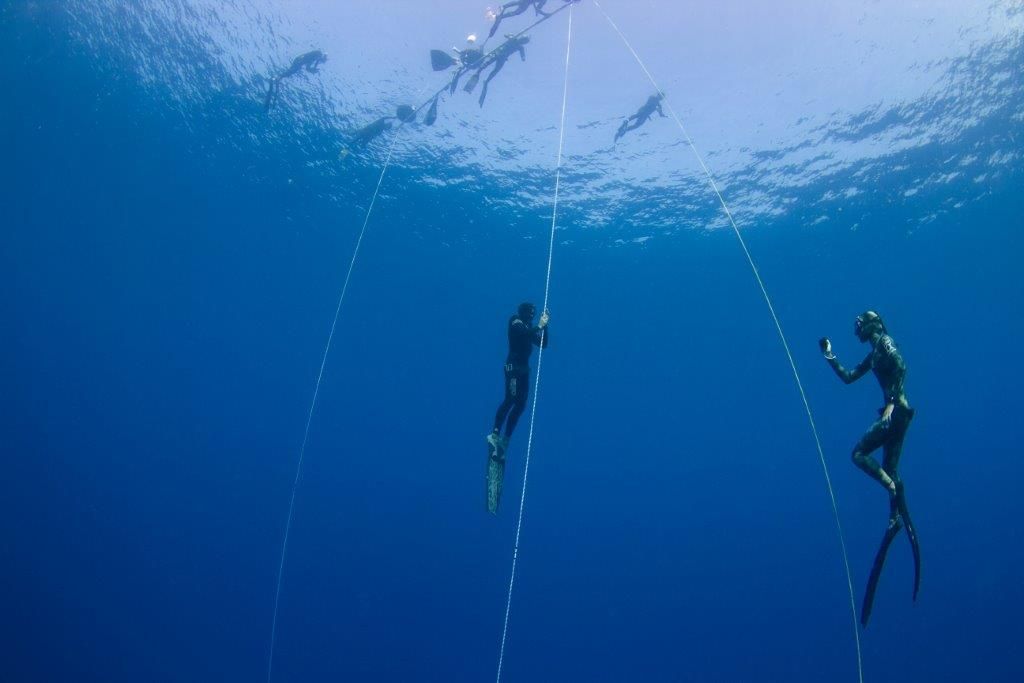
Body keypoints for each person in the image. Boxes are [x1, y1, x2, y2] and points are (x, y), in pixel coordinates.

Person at [819, 310, 921, 625]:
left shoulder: (885, 344)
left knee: (859, 453)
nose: (858, 329)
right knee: (891, 467)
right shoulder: (874, 354)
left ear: (872, 325)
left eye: (860, 325)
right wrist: (830, 356)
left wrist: (890, 402)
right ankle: (895, 517)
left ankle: (893, 491)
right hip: (901, 414)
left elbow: (901, 366)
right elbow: (850, 377)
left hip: (896, 411)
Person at [487, 302, 550, 459]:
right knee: (510, 399)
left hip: (523, 371)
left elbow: (543, 344)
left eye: (533, 314)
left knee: (521, 404)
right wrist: (539, 326)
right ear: (523, 312)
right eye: (530, 313)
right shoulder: (515, 321)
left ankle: (505, 440)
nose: (531, 316)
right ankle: (494, 435)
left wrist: (545, 326)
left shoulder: (528, 327)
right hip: (513, 368)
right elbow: (523, 334)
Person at [470, 34, 530, 107]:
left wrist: (523, 57)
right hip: (498, 53)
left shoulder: (520, 47)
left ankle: (487, 81)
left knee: (496, 70)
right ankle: (478, 72)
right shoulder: (514, 38)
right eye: (524, 40)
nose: (523, 42)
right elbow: (505, 35)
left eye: (525, 42)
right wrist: (510, 36)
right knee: (487, 63)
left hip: (503, 57)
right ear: (521, 38)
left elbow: (522, 55)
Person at [488, 1, 553, 39]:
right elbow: (537, 9)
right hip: (526, 2)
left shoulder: (544, 0)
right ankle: (504, 7)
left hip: (527, 4)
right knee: (519, 4)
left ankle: (501, 16)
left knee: (518, 12)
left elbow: (538, 9)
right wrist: (545, 14)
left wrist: (545, 14)